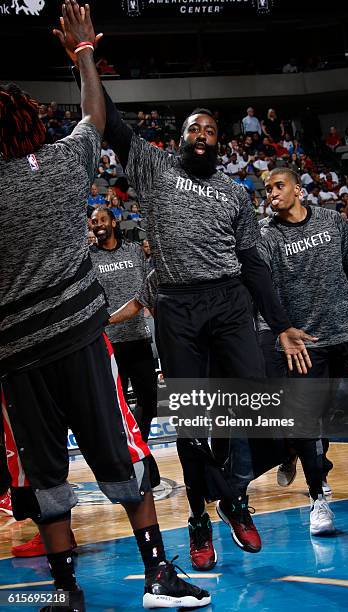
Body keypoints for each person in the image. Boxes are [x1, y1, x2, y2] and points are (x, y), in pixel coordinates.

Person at [70, 30, 316, 571]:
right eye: (192, 128)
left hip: (230, 303)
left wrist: (279, 324)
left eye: (209, 129)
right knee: (191, 422)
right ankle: (211, 513)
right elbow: (108, 119)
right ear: (180, 139)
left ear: (219, 141)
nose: (201, 134)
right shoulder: (155, 169)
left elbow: (253, 262)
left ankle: (231, 492)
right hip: (177, 305)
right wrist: (85, 56)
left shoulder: (234, 194)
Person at [0, 2, 209, 610]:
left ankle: (65, 592)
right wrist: (83, 53)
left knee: (43, 477)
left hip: (15, 357)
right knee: (123, 454)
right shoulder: (61, 164)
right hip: (80, 340)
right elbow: (94, 115)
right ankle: (157, 576)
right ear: (31, 127)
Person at [257, 168, 348, 535]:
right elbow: (263, 290)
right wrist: (281, 331)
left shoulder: (332, 221)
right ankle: (319, 496)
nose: (271, 192)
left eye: (278, 186)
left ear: (298, 189)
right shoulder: (266, 235)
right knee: (307, 425)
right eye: (267, 189)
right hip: (306, 342)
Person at [89, 207, 156, 442]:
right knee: (115, 403)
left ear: (114, 223)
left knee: (149, 399)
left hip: (138, 336)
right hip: (107, 341)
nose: (98, 224)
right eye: (94, 221)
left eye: (103, 219)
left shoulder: (135, 252)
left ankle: (140, 445)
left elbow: (148, 291)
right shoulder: (88, 257)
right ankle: (126, 450)